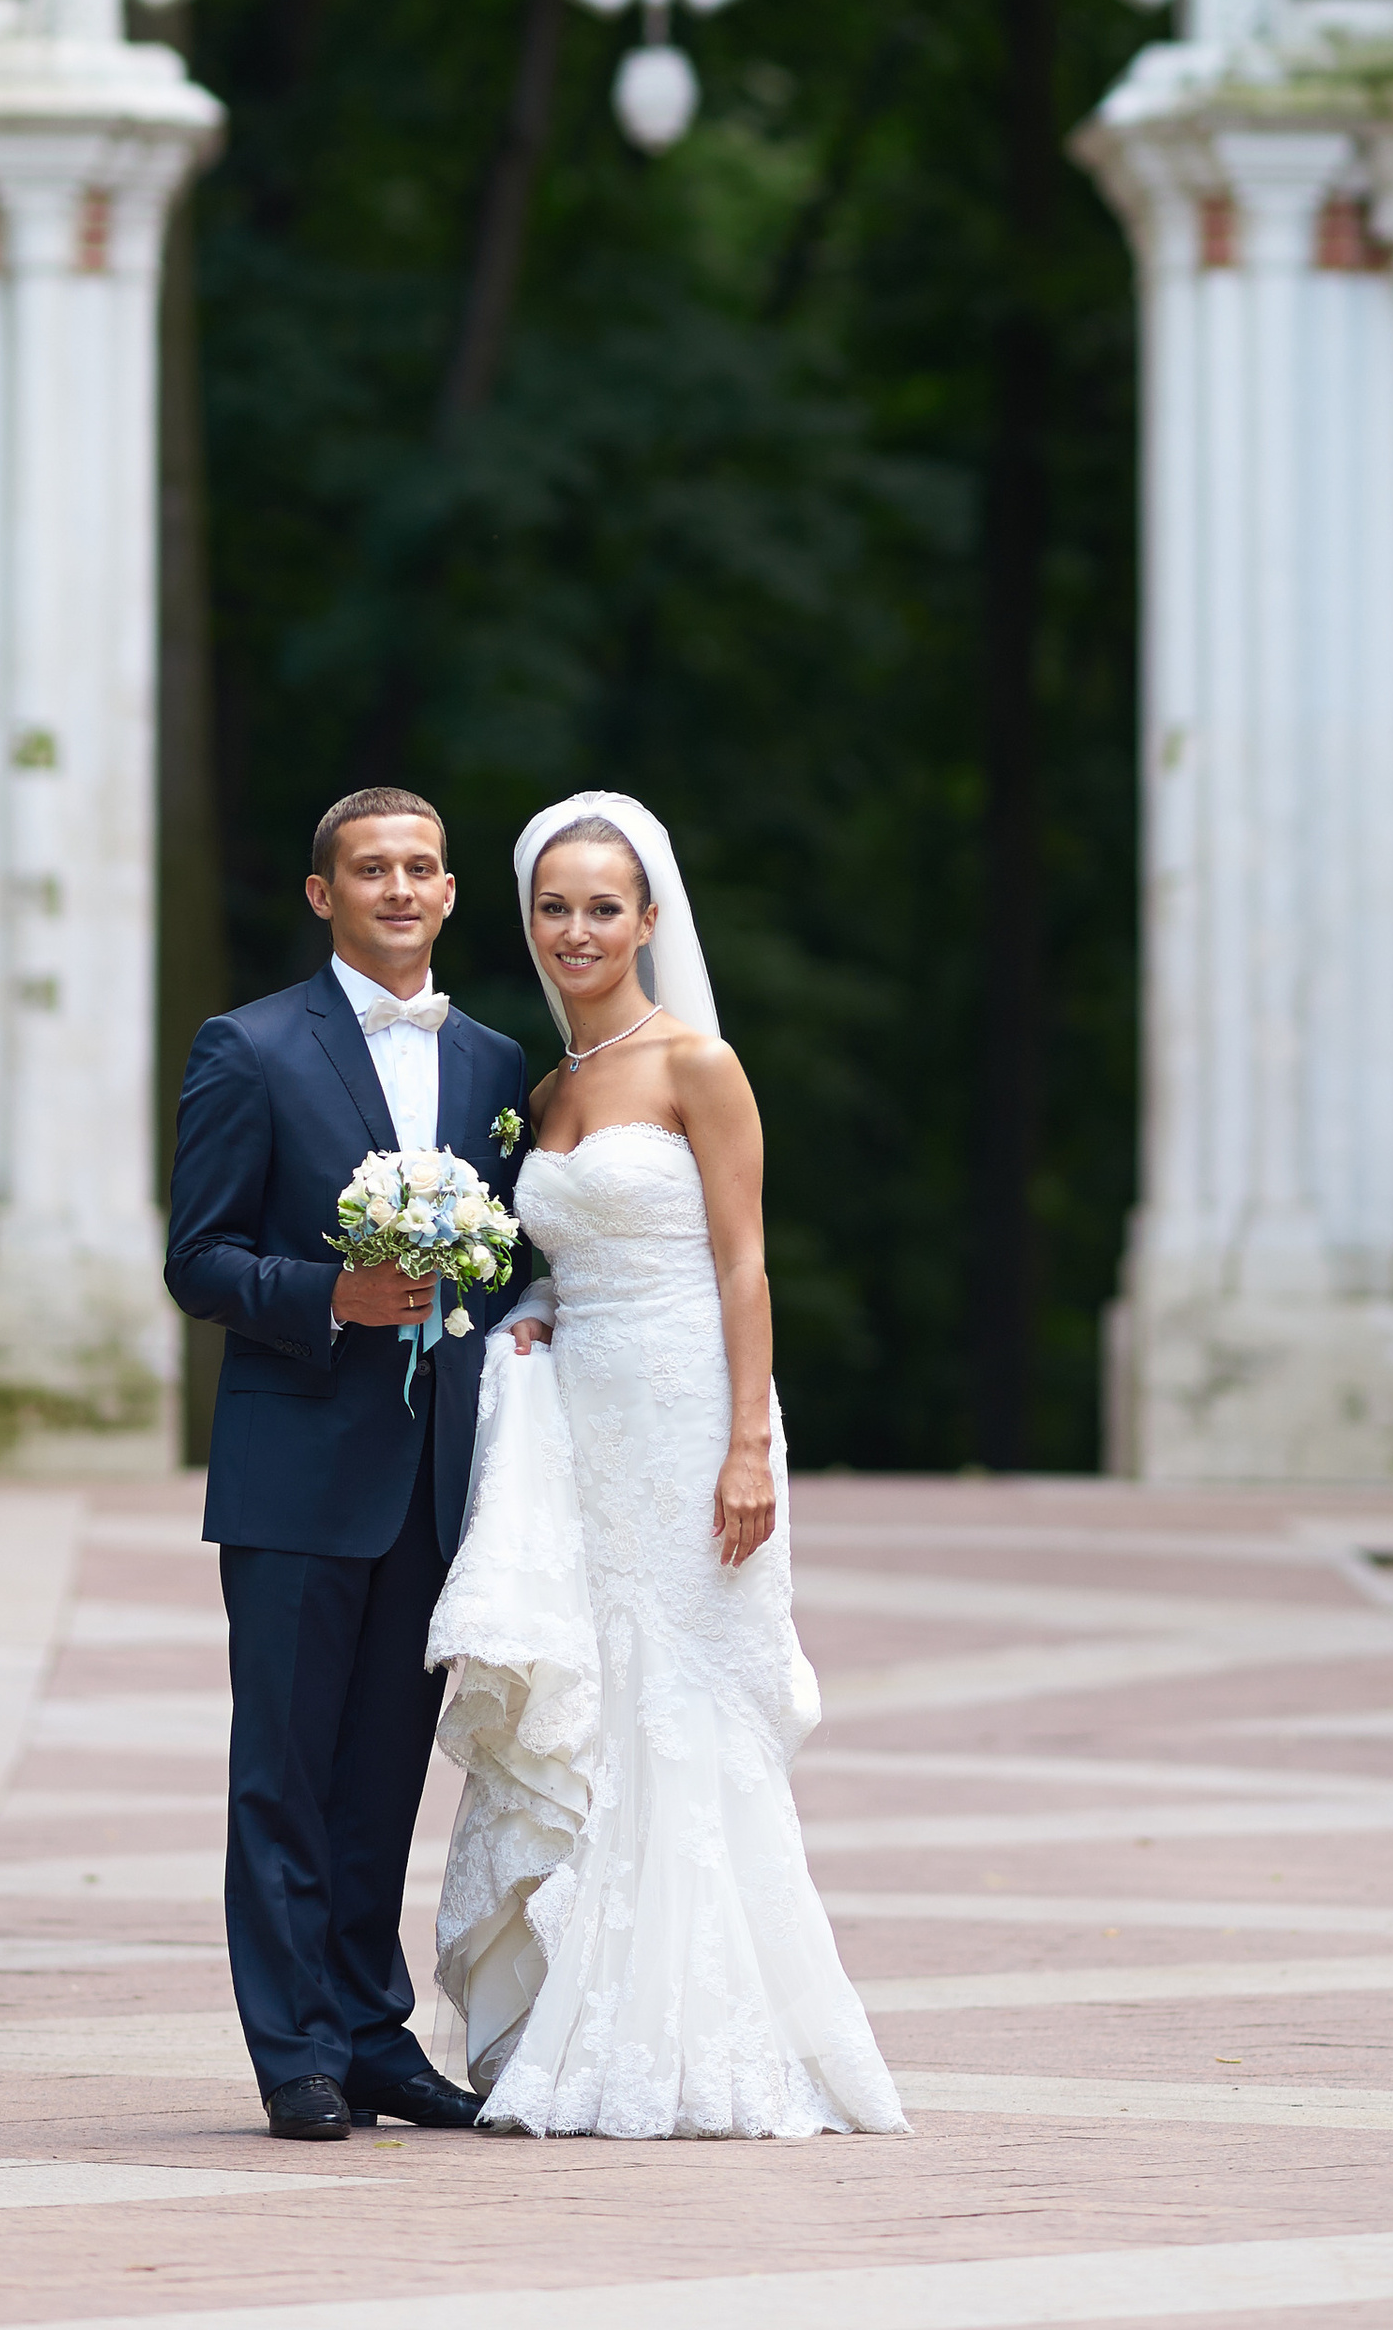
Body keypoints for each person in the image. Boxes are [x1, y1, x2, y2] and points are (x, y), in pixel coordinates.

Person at [425, 790, 907, 2140]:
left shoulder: (699, 1063)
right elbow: (554, 1262)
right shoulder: (544, 1092)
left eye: (604, 907)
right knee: (602, 1696)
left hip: (692, 1410)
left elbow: (745, 1264)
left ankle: (706, 2030)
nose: (577, 930)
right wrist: (529, 1315)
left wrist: (748, 1444)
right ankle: (583, 2010)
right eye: (555, 908)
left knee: (689, 1697)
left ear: (648, 919)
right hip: (583, 1428)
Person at [165, 786, 528, 2140]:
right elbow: (197, 1258)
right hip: (296, 1470)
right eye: (371, 869)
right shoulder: (249, 1047)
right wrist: (331, 1295)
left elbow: (510, 1262)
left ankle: (374, 2035)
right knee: (284, 1774)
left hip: (435, 1476)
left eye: (421, 868)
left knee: (384, 1776)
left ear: (449, 893)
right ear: (324, 894)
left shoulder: (494, 1063)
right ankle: (296, 2053)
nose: (399, 889)